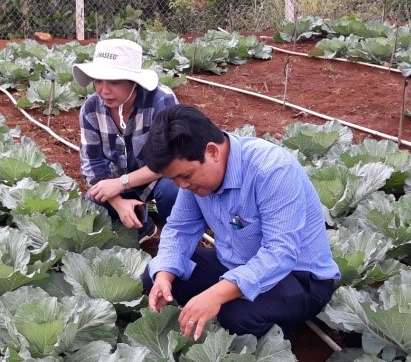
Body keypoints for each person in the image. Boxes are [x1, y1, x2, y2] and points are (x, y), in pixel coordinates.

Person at [142, 104, 339, 340]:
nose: (182, 186)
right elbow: (180, 228)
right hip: (237, 265)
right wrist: (164, 275)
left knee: (234, 315)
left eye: (185, 176)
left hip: (299, 277)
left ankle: (279, 336)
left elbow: (281, 254)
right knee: (160, 274)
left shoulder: (272, 170)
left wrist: (216, 295)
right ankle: (230, 305)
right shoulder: (195, 177)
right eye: (174, 179)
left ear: (212, 151)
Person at [73, 39, 179, 242]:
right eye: (98, 81)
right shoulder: (91, 108)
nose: (104, 90)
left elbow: (170, 161)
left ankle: (175, 238)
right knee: (93, 204)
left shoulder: (160, 101)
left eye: (114, 82)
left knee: (174, 190)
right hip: (115, 181)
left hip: (158, 178)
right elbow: (92, 164)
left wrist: (122, 183)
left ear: (134, 82)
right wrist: (118, 201)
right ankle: (142, 225)